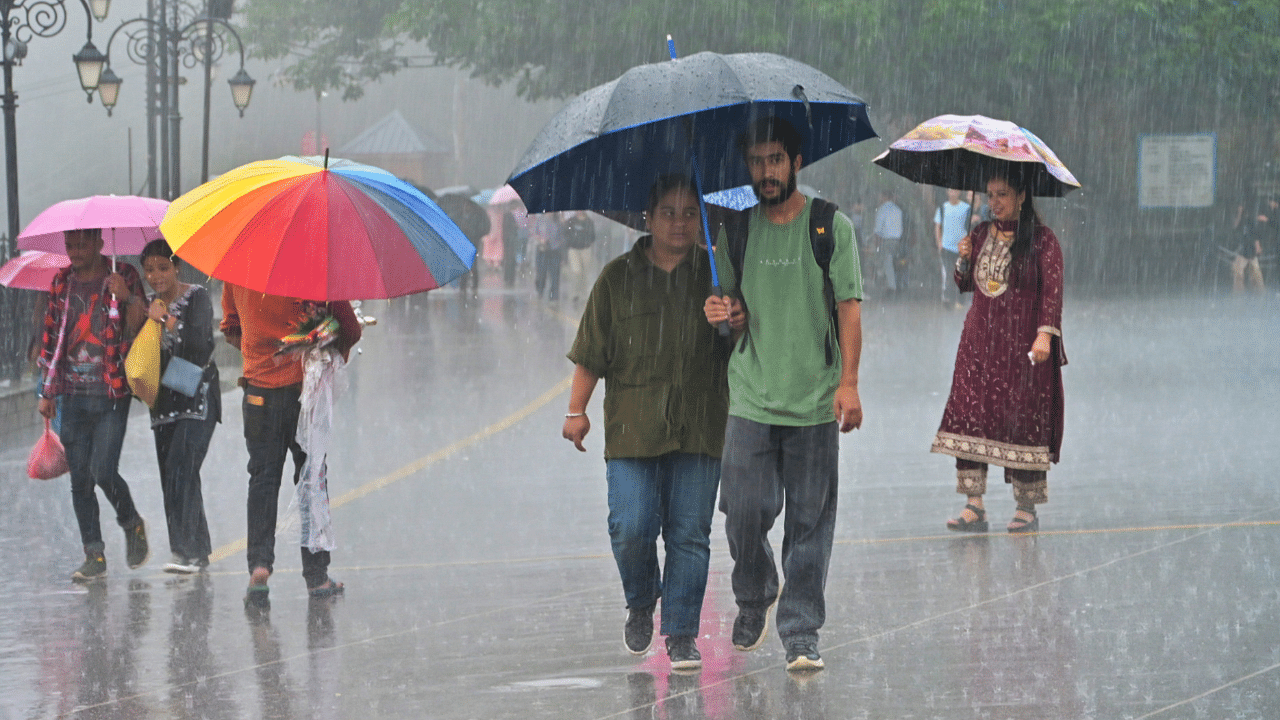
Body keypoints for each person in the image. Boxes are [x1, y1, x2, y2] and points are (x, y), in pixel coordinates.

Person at [703, 116, 864, 672]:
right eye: (757, 161)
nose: (766, 171)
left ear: (797, 163)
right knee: (742, 511)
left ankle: (800, 631)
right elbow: (728, 315)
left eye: (776, 160)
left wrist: (848, 383)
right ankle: (755, 593)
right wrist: (722, 313)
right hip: (750, 398)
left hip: (815, 401)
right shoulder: (735, 231)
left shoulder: (829, 226)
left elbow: (849, 305)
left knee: (810, 524)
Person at [562, 175, 730, 672]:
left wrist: (732, 318)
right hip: (634, 429)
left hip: (700, 425)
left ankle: (681, 632)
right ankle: (640, 599)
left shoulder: (718, 275)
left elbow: (742, 344)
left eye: (688, 213)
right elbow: (591, 353)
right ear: (648, 218)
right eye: (668, 213)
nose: (679, 223)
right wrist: (576, 411)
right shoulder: (616, 278)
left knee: (689, 534)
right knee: (631, 527)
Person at [934, 168, 1065, 535]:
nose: (994, 203)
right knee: (971, 416)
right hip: (979, 343)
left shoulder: (1042, 240)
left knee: (1022, 420)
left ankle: (1025, 507)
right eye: (990, 195)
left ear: (1022, 195)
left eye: (1002, 194)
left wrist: (1045, 336)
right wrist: (963, 258)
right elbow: (964, 285)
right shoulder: (978, 233)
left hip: (1022, 347)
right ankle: (974, 506)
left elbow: (1052, 293)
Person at [221, 286, 362, 604]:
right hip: (306, 393)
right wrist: (321, 346)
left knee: (262, 480)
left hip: (258, 394)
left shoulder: (238, 269)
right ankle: (316, 576)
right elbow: (348, 329)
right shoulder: (314, 265)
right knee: (312, 480)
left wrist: (260, 350)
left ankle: (259, 566)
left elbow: (231, 329)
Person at [37, 228, 150, 582]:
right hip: (71, 394)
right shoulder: (62, 282)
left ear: (100, 242)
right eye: (70, 244)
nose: (75, 251)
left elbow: (139, 328)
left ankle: (131, 522)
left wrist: (127, 296)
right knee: (80, 479)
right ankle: (94, 554)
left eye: (83, 243)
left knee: (103, 469)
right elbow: (53, 336)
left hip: (113, 391)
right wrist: (47, 392)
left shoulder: (124, 273)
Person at [140, 240, 220, 574]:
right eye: (149, 270)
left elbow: (200, 342)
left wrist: (167, 321)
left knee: (183, 467)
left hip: (196, 397)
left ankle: (195, 550)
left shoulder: (196, 296)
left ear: (177, 268)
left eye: (162, 268)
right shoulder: (147, 305)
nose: (156, 276)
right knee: (169, 473)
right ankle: (183, 550)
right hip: (163, 403)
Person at [934, 189, 972, 308]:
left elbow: (970, 226)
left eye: (955, 191)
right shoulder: (942, 208)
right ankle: (948, 298)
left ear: (959, 193)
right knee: (949, 273)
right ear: (947, 192)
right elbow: (937, 226)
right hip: (946, 247)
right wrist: (939, 243)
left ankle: (959, 301)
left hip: (962, 248)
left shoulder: (966, 208)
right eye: (951, 191)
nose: (953, 193)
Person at [872, 189, 904, 294]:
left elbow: (878, 229)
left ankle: (891, 287)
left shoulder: (882, 209)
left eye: (881, 196)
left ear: (884, 197)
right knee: (894, 263)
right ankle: (897, 285)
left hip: (886, 241)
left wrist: (876, 244)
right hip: (897, 241)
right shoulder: (898, 210)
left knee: (887, 263)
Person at [562, 210, 597, 302]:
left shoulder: (589, 222)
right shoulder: (571, 221)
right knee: (576, 271)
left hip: (586, 249)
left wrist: (587, 242)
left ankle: (584, 294)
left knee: (585, 273)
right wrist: (570, 242)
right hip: (573, 249)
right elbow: (566, 233)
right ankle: (575, 293)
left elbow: (593, 236)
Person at [532, 213, 564, 300]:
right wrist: (540, 239)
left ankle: (554, 296)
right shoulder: (540, 220)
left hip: (555, 250)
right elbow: (535, 233)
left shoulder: (558, 221)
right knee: (541, 273)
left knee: (554, 275)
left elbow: (562, 236)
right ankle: (540, 291)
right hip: (542, 250)